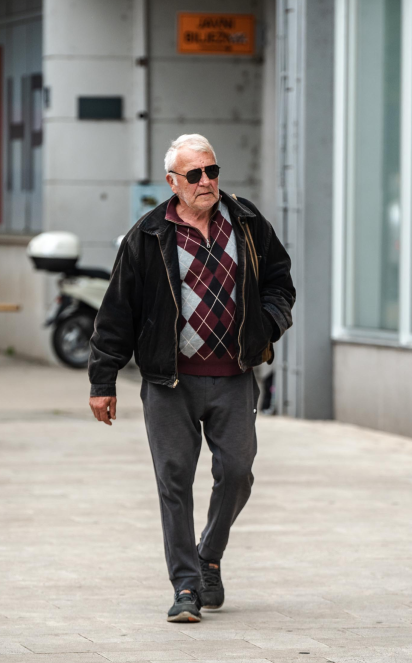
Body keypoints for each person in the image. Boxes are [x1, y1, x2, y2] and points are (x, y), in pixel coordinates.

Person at [87, 134, 296, 623]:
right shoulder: (147, 235)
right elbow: (117, 312)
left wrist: (267, 325)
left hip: (234, 374)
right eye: (195, 174)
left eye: (212, 171)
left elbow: (280, 281)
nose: (207, 182)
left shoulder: (246, 222)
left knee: (238, 473)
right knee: (174, 479)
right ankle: (185, 585)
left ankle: (209, 555)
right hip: (170, 382)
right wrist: (102, 381)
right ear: (172, 182)